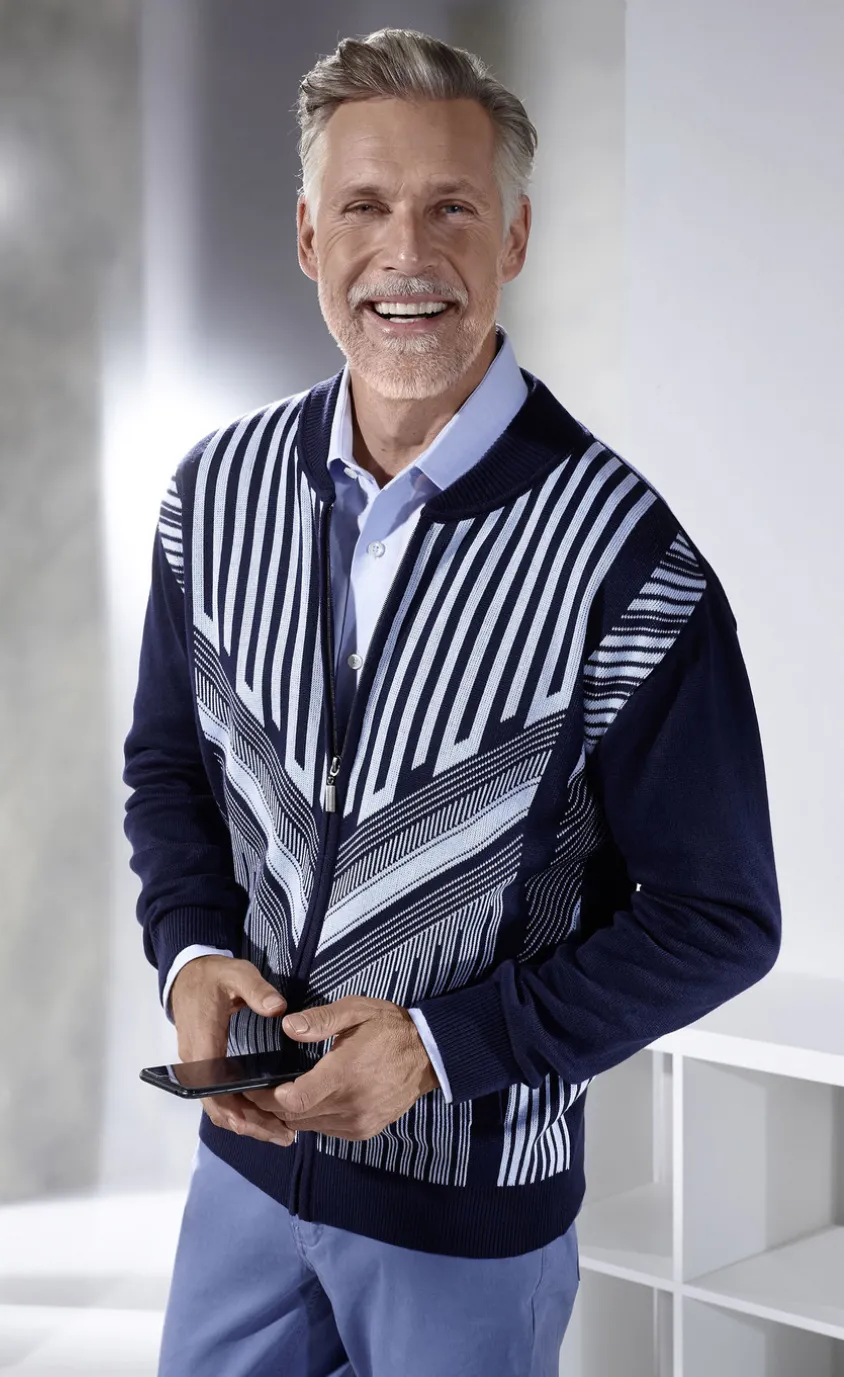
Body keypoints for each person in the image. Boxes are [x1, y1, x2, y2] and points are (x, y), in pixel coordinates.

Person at [122, 27, 781, 1377]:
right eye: (364, 206)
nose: (404, 254)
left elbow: (722, 918)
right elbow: (170, 771)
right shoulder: (213, 495)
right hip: (243, 1176)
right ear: (308, 236)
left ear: (515, 235)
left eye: (452, 209)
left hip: (470, 1229)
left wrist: (439, 1048)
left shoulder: (627, 562)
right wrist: (188, 956)